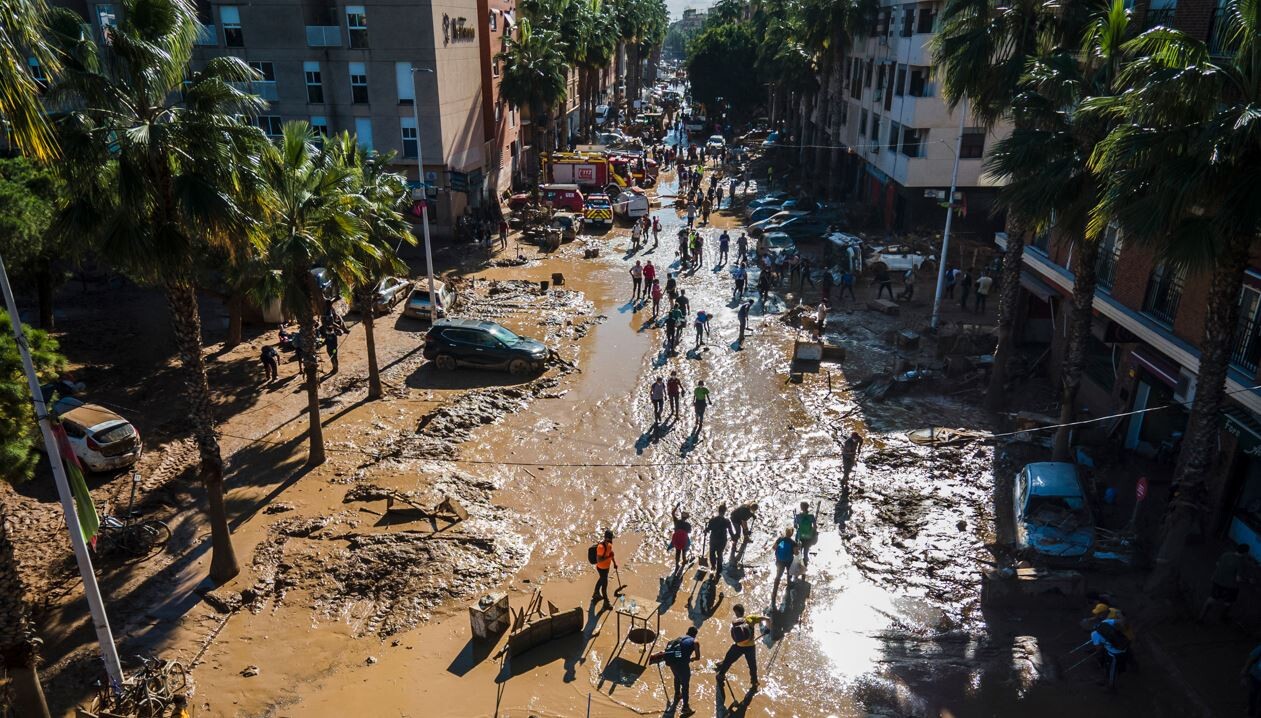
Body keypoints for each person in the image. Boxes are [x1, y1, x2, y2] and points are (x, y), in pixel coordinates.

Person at [716, 604, 770, 691]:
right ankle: (754, 683)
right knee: (752, 666)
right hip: (750, 648)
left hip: (738, 646)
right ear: (743, 611)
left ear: (736, 612)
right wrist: (768, 629)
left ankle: (720, 675)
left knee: (729, 658)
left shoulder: (736, 621)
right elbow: (767, 619)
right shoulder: (751, 618)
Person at [1200, 543, 1250, 621]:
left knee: (1211, 598)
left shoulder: (1226, 554)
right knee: (1228, 602)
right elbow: (1238, 579)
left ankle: (1201, 617)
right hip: (1231, 586)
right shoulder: (1240, 562)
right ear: (1245, 553)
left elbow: (1217, 564)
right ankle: (1223, 617)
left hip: (1217, 580)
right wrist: (1248, 580)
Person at [665, 626, 701, 716]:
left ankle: (677, 694)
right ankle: (685, 708)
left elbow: (677, 651)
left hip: (673, 663)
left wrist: (682, 658)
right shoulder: (695, 642)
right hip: (682, 666)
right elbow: (697, 657)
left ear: (687, 632)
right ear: (695, 635)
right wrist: (690, 659)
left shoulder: (679, 638)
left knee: (676, 677)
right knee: (685, 685)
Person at [1091, 615, 1130, 690]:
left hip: (1113, 654)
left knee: (1111, 670)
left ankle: (1111, 687)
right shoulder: (1105, 622)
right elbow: (1122, 622)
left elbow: (1098, 649)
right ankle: (1110, 679)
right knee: (1117, 667)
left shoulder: (1094, 634)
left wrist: (1102, 643)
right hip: (1124, 647)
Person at [771, 527, 798, 606]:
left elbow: (773, 548)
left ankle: (775, 590)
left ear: (785, 532)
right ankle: (789, 584)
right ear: (792, 534)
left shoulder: (780, 539)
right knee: (789, 573)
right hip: (789, 561)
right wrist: (798, 548)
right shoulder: (793, 542)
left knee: (778, 575)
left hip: (779, 561)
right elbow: (796, 553)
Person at [592, 529, 617, 610]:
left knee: (601, 580)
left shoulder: (609, 545)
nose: (610, 540)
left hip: (606, 568)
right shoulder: (600, 547)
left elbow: (611, 554)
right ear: (606, 537)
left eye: (610, 538)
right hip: (601, 568)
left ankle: (595, 594)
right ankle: (606, 603)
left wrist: (614, 563)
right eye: (609, 538)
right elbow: (599, 560)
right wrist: (609, 557)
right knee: (604, 585)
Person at [706, 505, 734, 573]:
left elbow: (708, 529)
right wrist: (734, 538)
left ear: (718, 511)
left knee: (712, 553)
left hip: (713, 539)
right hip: (722, 540)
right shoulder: (727, 521)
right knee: (720, 554)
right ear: (725, 512)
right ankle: (719, 568)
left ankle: (713, 566)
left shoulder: (712, 519)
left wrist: (705, 530)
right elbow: (731, 531)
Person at [794, 502, 818, 567]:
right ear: (807, 507)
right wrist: (812, 531)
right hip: (808, 536)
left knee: (800, 550)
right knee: (806, 550)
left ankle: (800, 562)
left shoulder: (798, 516)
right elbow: (815, 527)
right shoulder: (811, 516)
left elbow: (795, 526)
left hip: (800, 536)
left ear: (801, 507)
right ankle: (805, 561)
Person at [670, 504, 692, 572]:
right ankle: (684, 560)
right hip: (684, 540)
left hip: (676, 540)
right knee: (684, 550)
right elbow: (689, 531)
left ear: (681, 516)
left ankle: (677, 564)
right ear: (686, 518)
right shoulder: (688, 525)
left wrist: (676, 506)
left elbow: (673, 513)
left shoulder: (676, 521)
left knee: (677, 552)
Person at [1242, 642, 1261, 717]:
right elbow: (1251, 658)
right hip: (1255, 677)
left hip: (1255, 676)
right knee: (1253, 695)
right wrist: (1244, 672)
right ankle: (1251, 711)